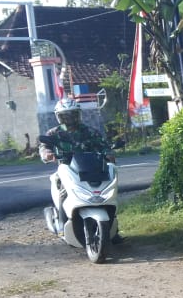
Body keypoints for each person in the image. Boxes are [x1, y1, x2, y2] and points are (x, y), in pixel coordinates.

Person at [39, 98, 124, 243]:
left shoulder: (89, 132)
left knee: (107, 190)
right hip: (67, 169)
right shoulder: (54, 133)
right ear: (59, 117)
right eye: (65, 116)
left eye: (72, 115)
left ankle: (113, 230)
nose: (69, 119)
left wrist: (109, 153)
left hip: (91, 168)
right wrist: (47, 154)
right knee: (63, 191)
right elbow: (44, 146)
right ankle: (62, 224)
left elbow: (103, 146)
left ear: (78, 115)